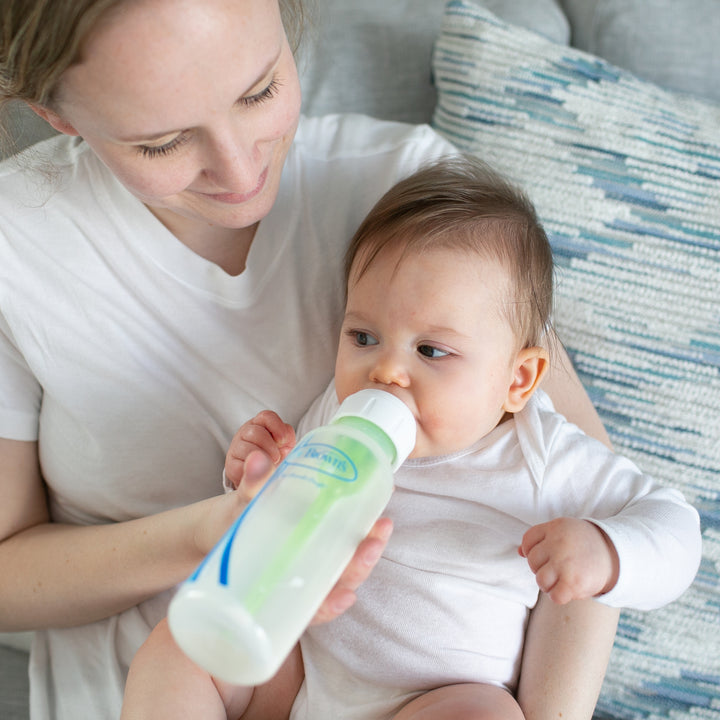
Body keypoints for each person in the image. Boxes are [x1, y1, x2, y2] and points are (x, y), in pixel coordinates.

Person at [0, 1, 621, 718]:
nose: (240, 170)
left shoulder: (417, 200)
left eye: (260, 92)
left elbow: (586, 499)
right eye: (163, 142)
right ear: (57, 114)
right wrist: (212, 534)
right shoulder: (18, 250)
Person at [121, 156, 701, 720]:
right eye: (364, 336)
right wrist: (253, 474)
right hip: (303, 673)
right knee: (183, 647)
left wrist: (608, 552)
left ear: (517, 379)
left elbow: (678, 529)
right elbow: (281, 520)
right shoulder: (340, 416)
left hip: (437, 697)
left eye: (431, 351)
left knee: (490, 714)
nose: (386, 372)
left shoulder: (544, 457)